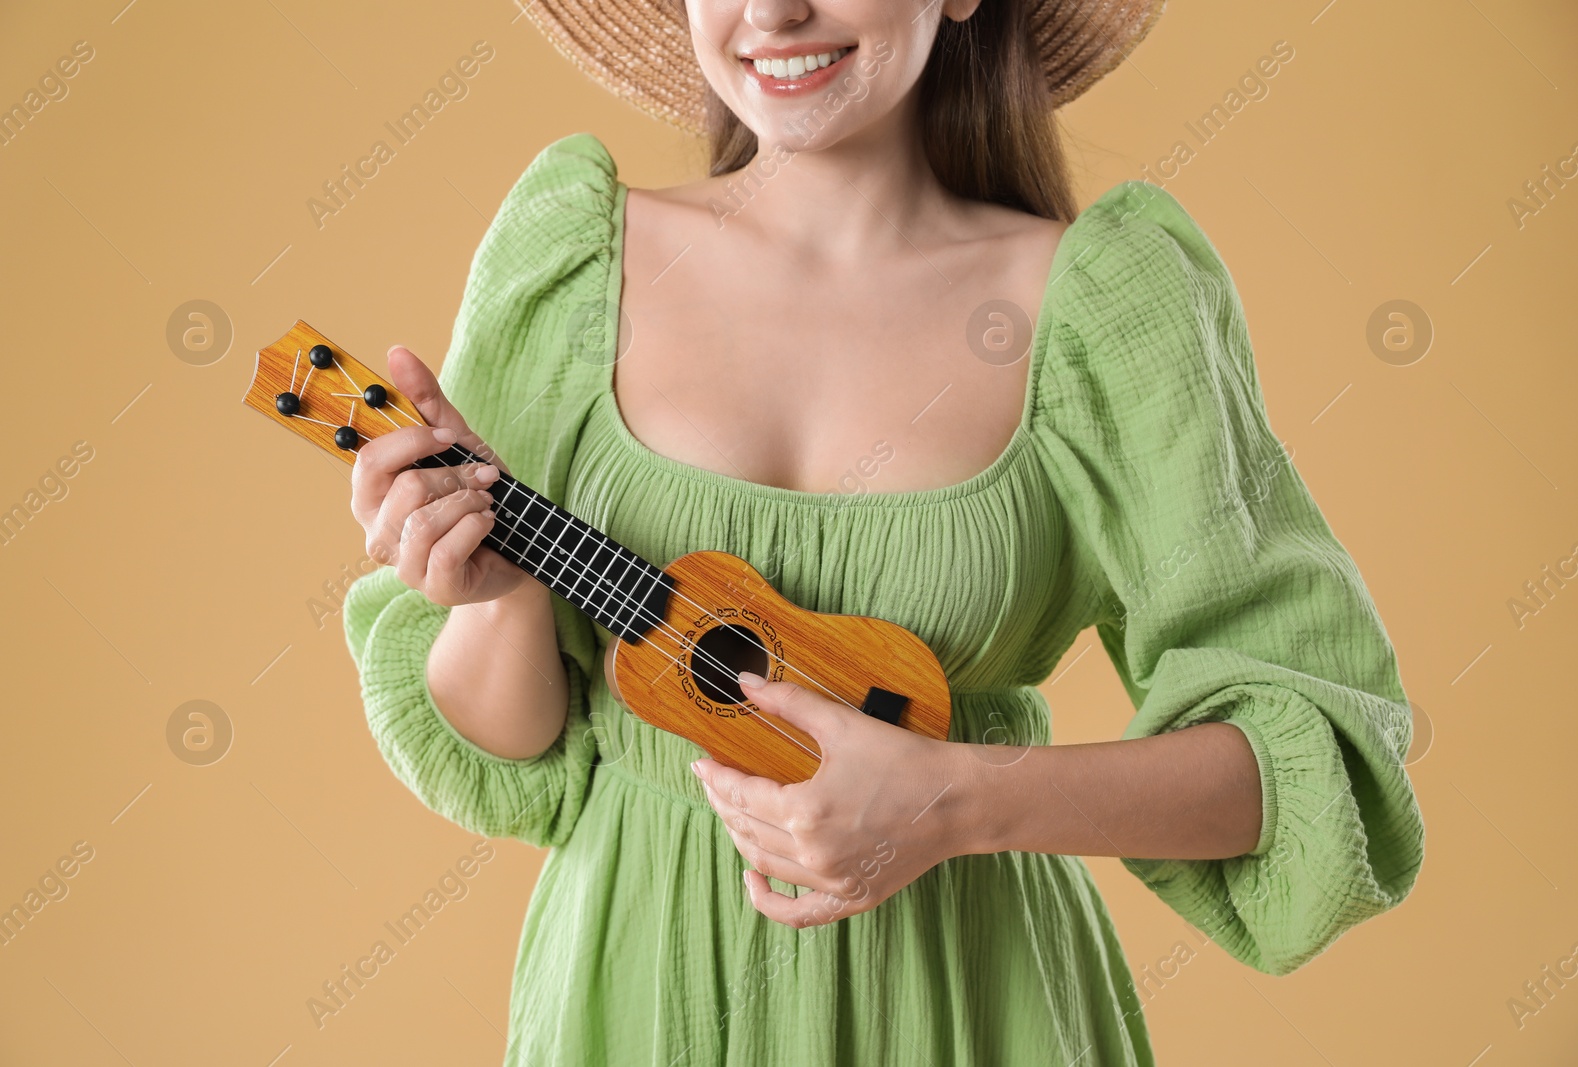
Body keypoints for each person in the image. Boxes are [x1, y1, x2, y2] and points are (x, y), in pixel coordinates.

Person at [341, 0, 1425, 1062]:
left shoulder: (1100, 302)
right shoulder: (572, 259)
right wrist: (499, 592)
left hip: (968, 996)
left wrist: (953, 802)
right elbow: (512, 747)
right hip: (636, 990)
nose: (775, 10)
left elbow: (1309, 751)